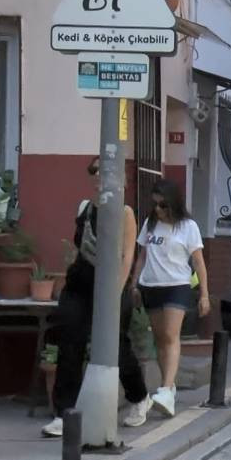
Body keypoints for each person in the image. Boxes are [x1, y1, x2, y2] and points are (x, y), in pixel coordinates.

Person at [42, 157, 150, 437]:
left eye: (104, 171)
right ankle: (64, 413)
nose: (98, 177)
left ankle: (139, 397)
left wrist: (113, 293)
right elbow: (81, 248)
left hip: (111, 288)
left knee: (116, 347)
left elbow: (127, 256)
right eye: (95, 172)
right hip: (79, 284)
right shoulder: (85, 208)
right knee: (70, 344)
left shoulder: (124, 212)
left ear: (119, 179)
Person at [132, 179, 209, 417]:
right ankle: (170, 387)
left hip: (177, 285)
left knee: (170, 335)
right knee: (159, 339)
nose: (158, 210)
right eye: (155, 204)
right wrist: (134, 284)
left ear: (173, 203)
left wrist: (204, 293)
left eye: (163, 205)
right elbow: (143, 256)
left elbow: (198, 262)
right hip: (151, 285)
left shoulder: (188, 227)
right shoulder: (150, 224)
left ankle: (165, 388)